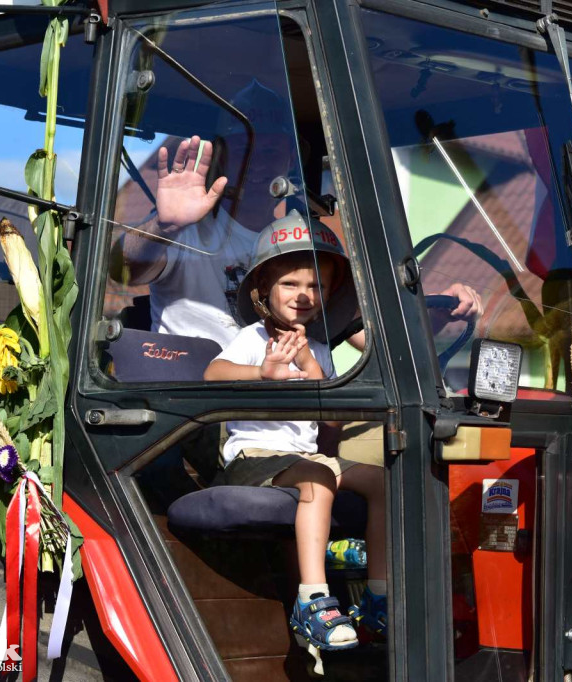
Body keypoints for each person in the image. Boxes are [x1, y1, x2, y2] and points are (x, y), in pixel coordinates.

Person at [113, 79, 483, 353]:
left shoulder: (306, 244)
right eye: (244, 147)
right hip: (201, 410)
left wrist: (443, 310)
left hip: (288, 407)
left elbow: (367, 334)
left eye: (272, 148)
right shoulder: (188, 232)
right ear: (222, 154)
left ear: (290, 158)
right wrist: (164, 225)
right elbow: (123, 268)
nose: (257, 160)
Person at [204, 215, 385, 650]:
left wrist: (308, 365)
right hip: (255, 460)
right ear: (264, 288)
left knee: (384, 480)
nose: (303, 295)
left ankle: (379, 595)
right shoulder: (255, 337)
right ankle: (313, 601)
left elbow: (332, 423)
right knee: (318, 479)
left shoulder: (318, 348)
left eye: (315, 286)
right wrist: (263, 371)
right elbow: (213, 373)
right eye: (290, 284)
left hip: (305, 459)